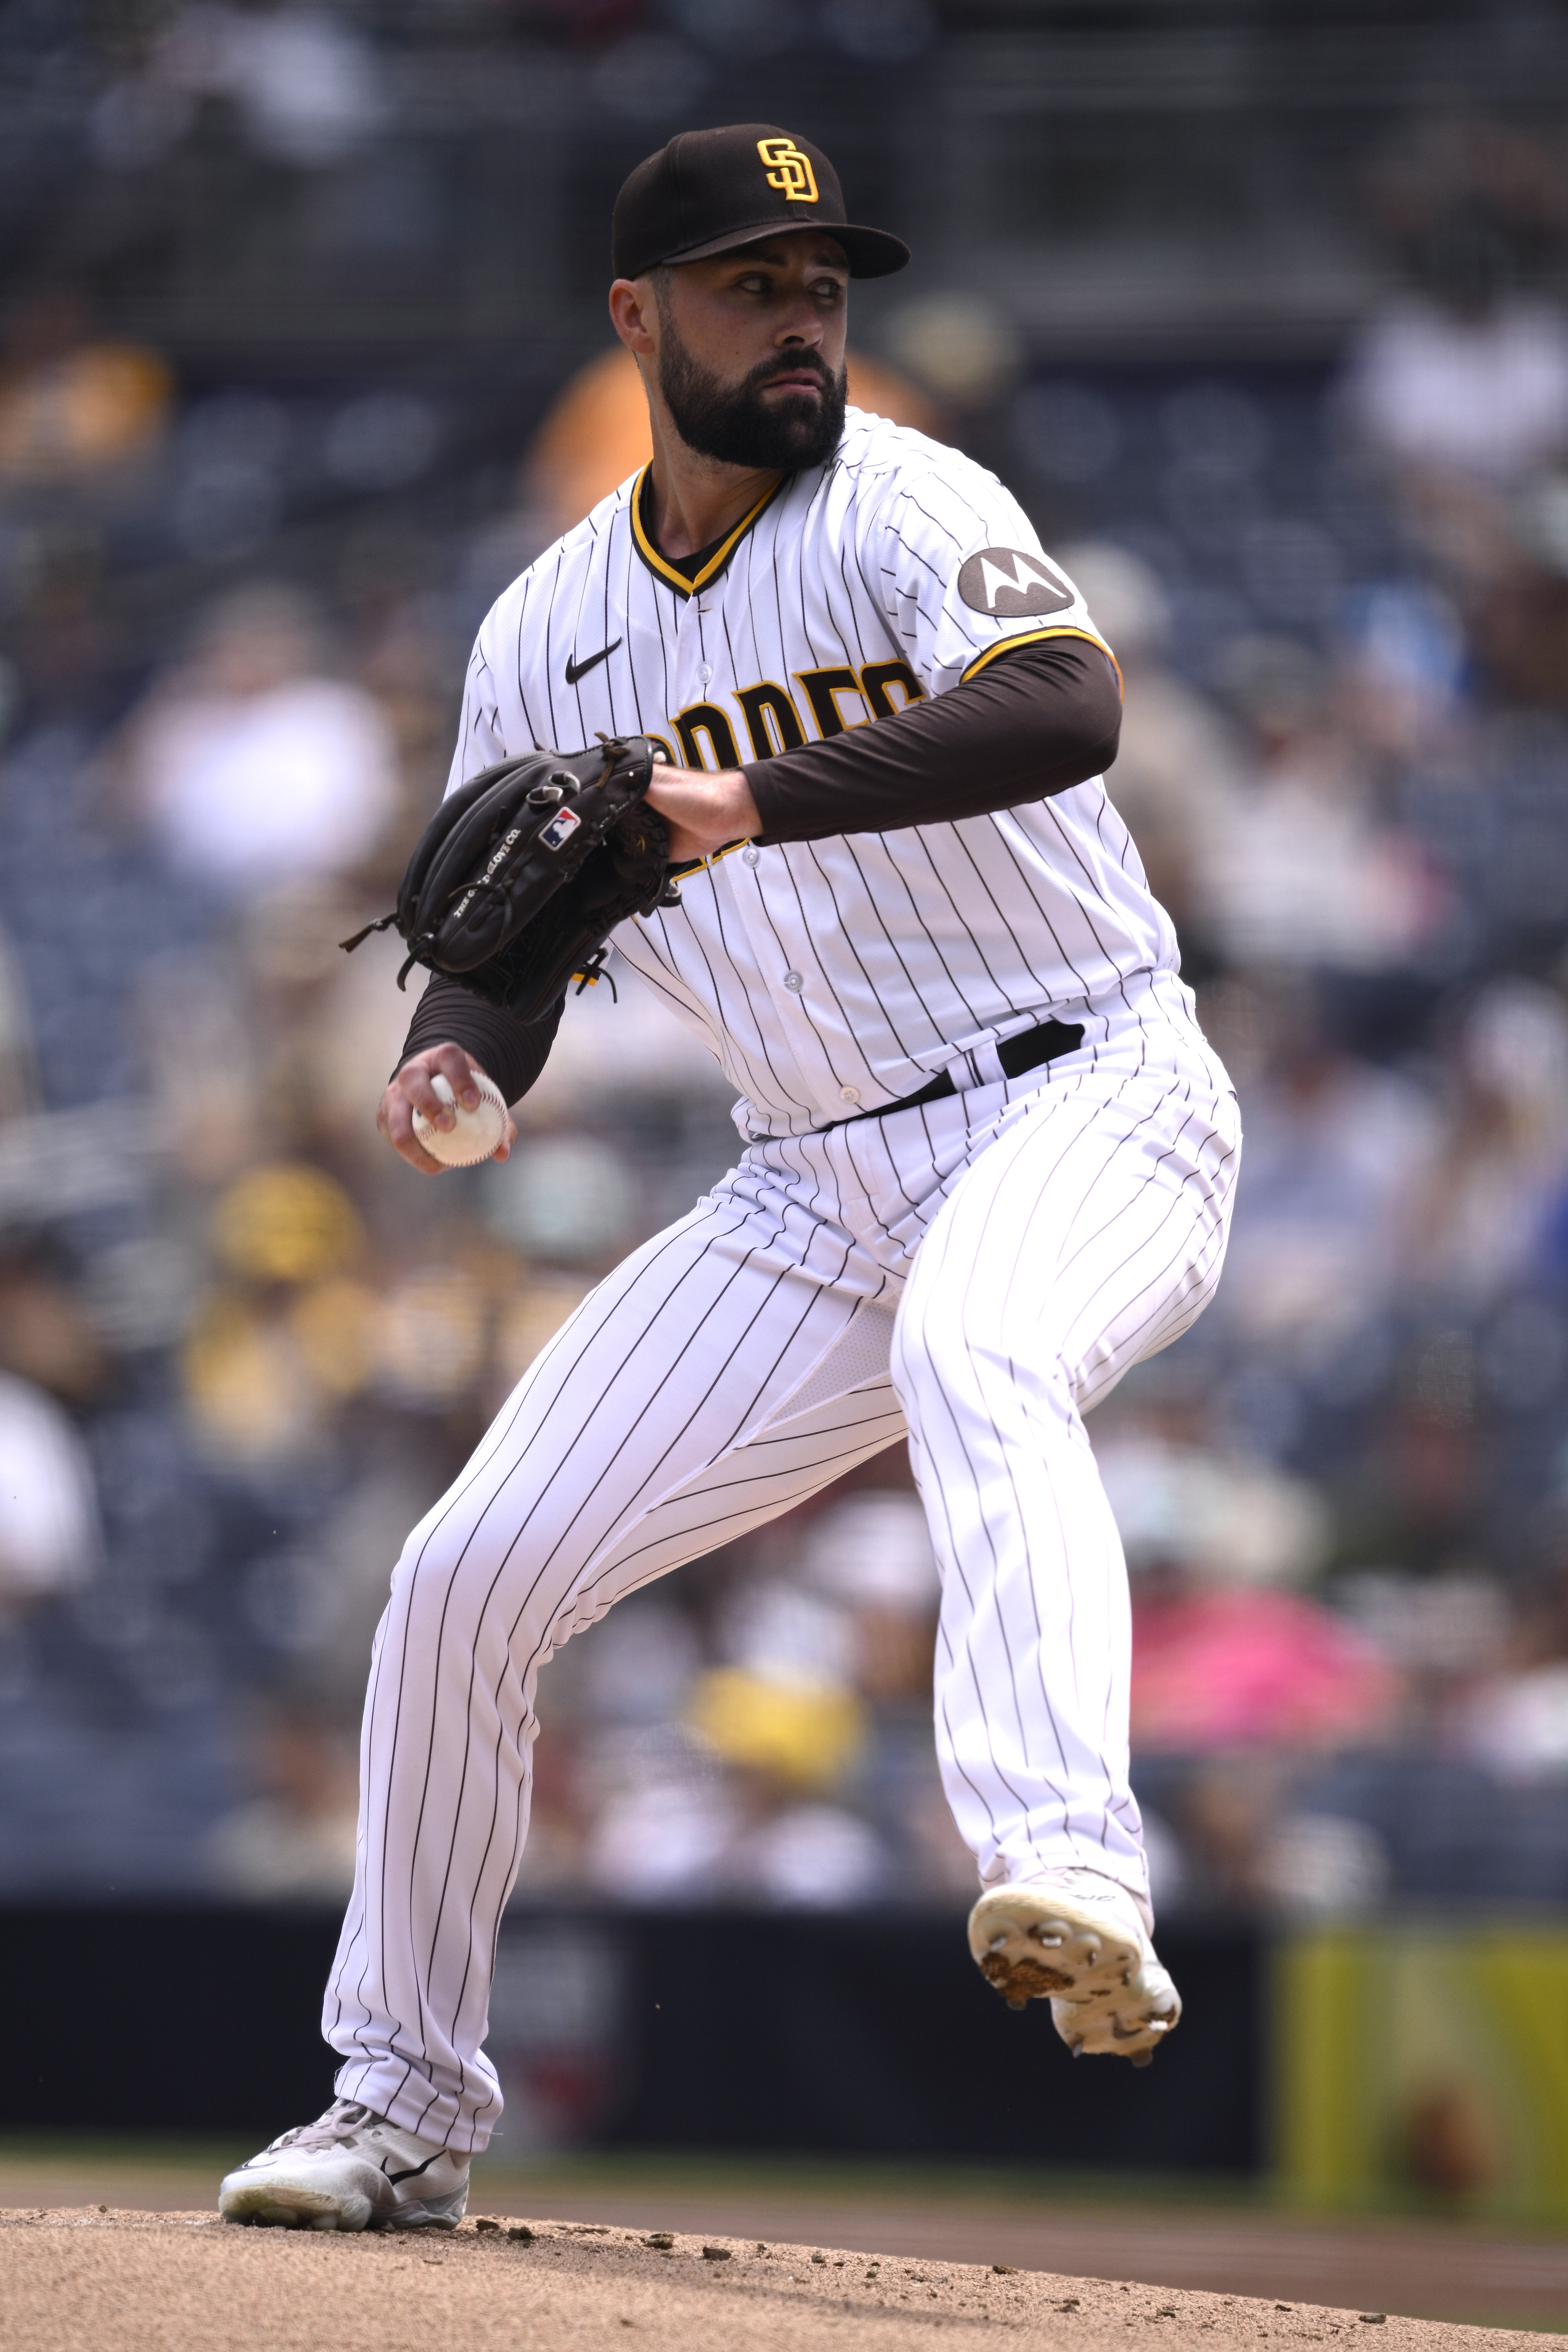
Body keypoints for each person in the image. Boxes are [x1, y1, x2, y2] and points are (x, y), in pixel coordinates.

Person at [218, 123, 1240, 2234]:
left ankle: (1067, 1858)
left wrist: (746, 798)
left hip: (1085, 1093)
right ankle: (399, 2098)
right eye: (751, 285)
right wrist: (452, 1067)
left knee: (985, 1342)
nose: (800, 322)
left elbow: (1069, 704)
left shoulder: (904, 498)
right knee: (464, 1576)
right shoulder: (545, 630)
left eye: (821, 286)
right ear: (637, 317)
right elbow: (507, 936)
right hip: (807, 1187)